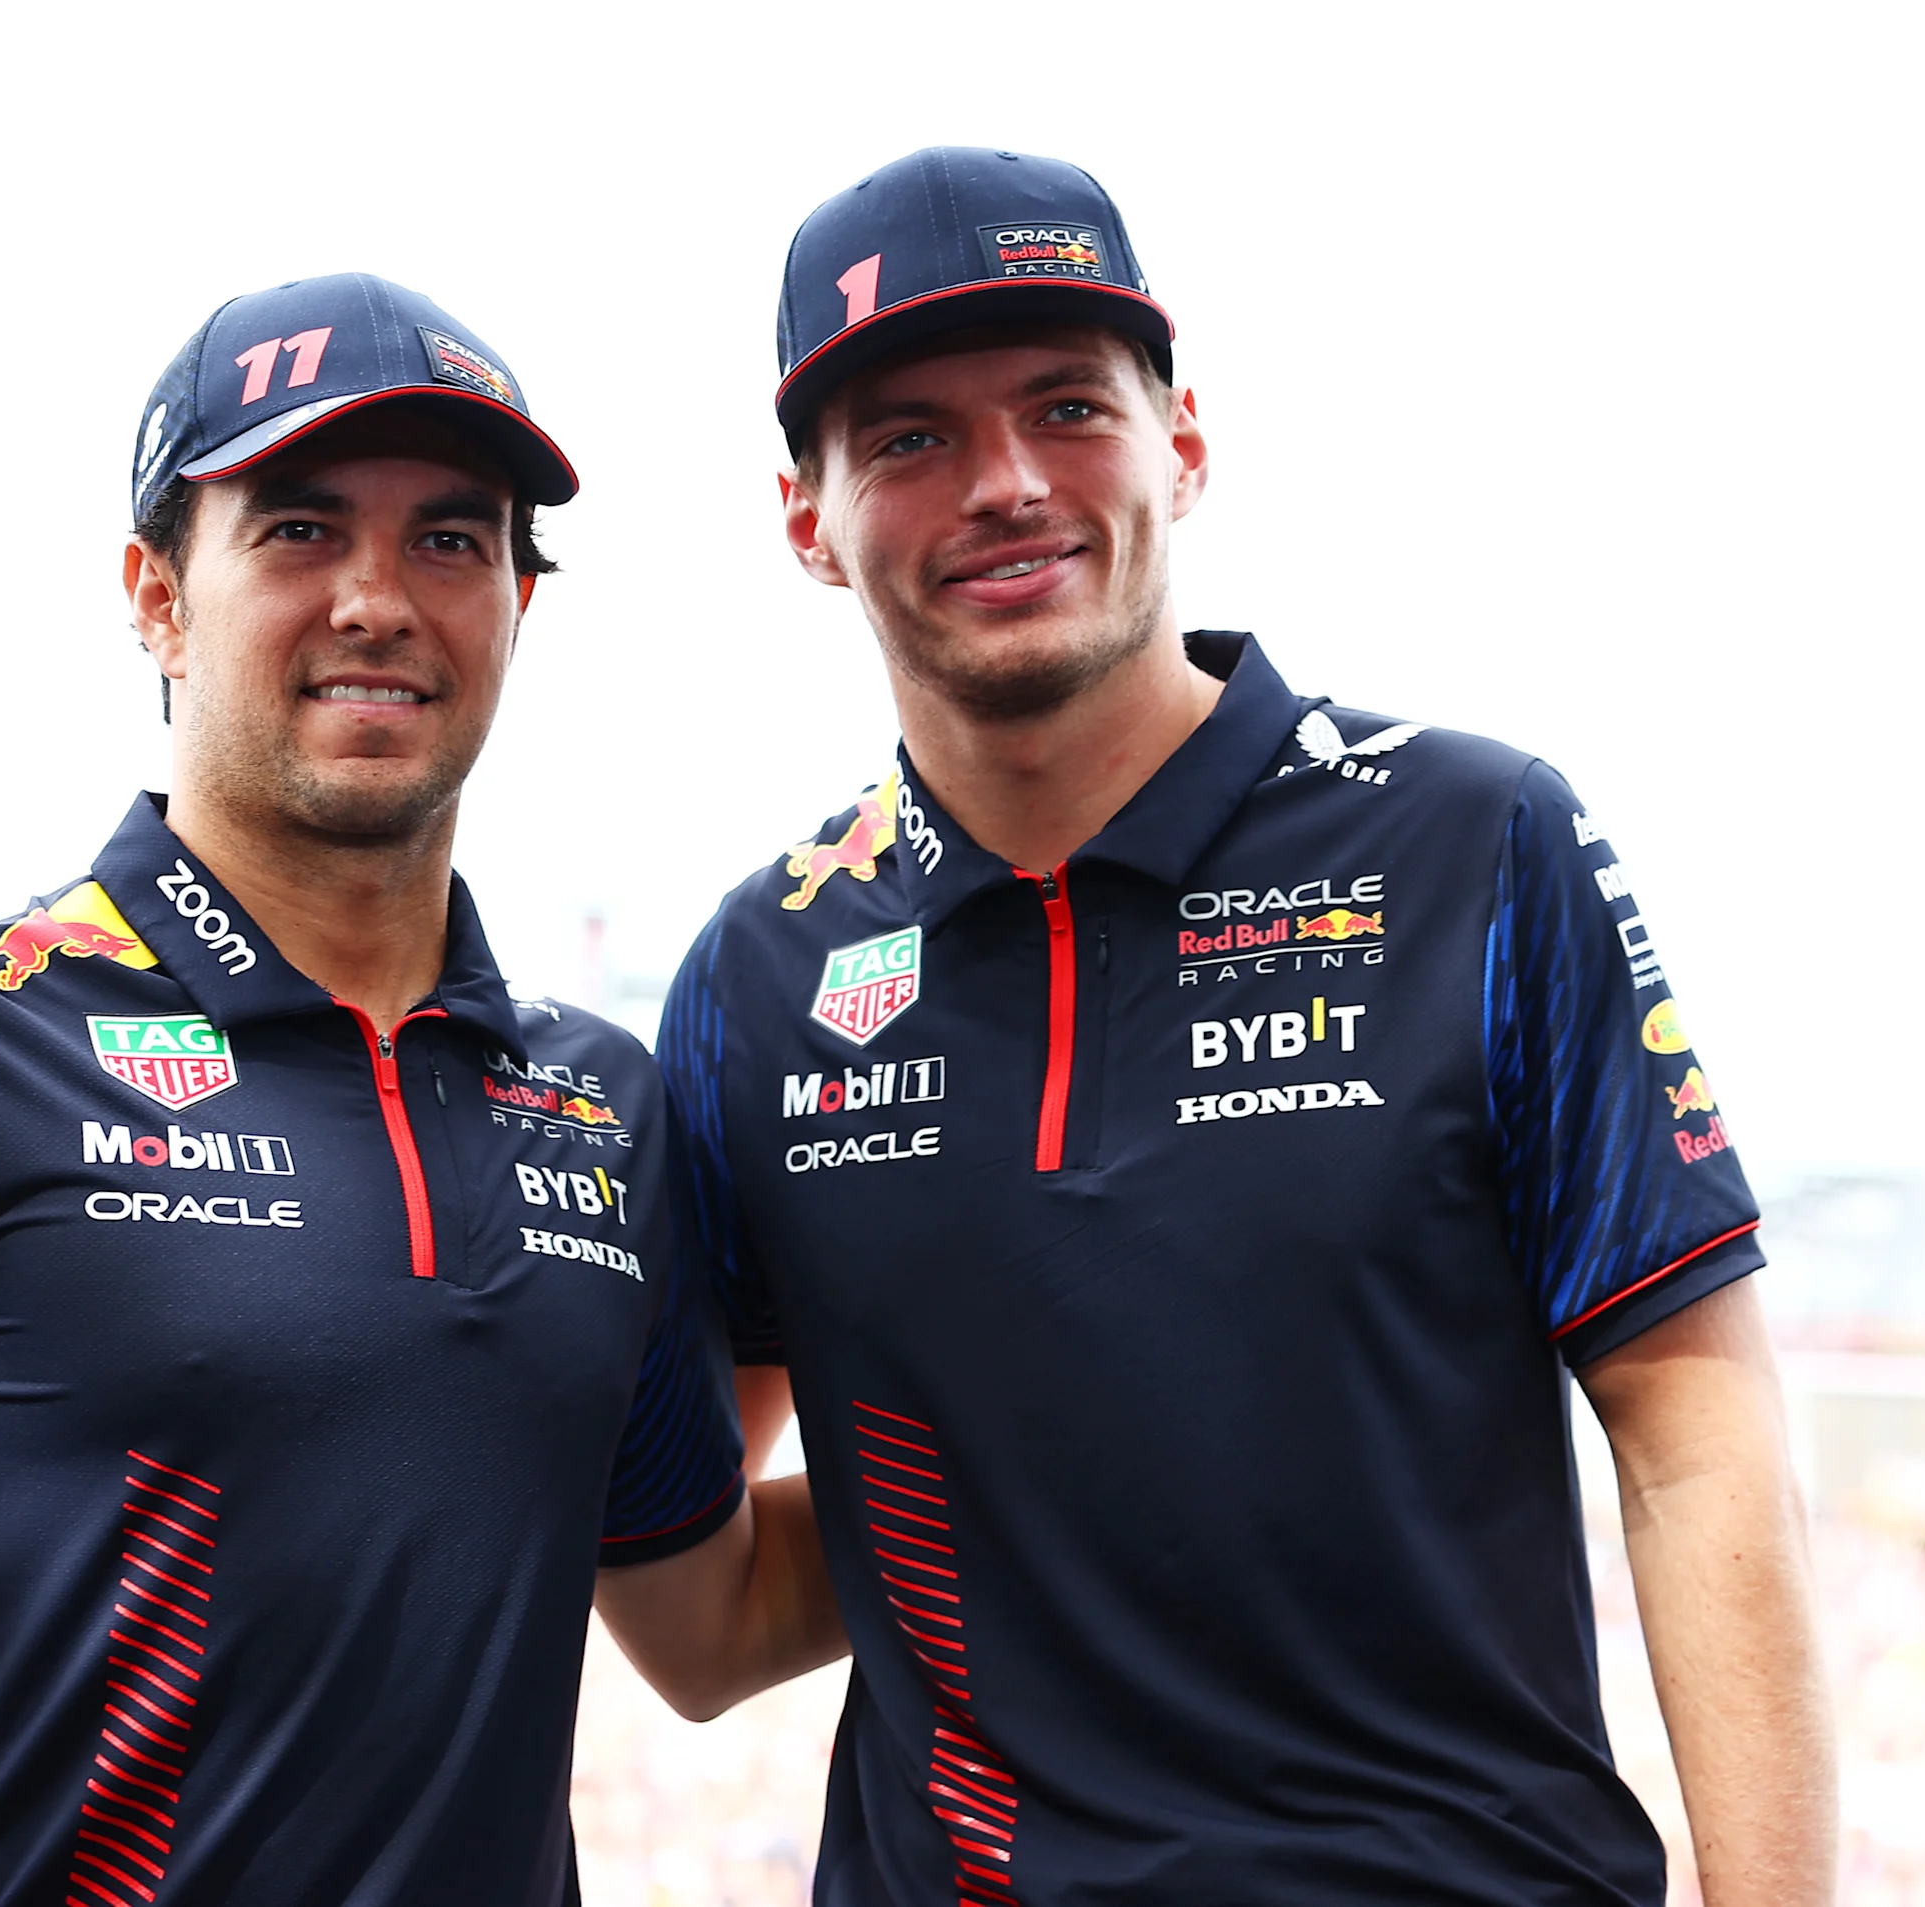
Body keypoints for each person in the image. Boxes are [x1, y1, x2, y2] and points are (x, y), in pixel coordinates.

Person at [653, 148, 1834, 1904]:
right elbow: (717, 1618)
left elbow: (1696, 1444)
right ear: (806, 519)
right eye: (908, 436)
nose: (1005, 484)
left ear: (1182, 444)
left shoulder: (1473, 840)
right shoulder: (762, 970)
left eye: (1068, 405)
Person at [0, 273, 834, 1907]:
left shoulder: (604, 1104)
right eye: (300, 528)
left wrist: (1110, 1436)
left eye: (452, 539)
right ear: (157, 595)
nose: (379, 598)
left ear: (524, 603)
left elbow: (711, 1620)